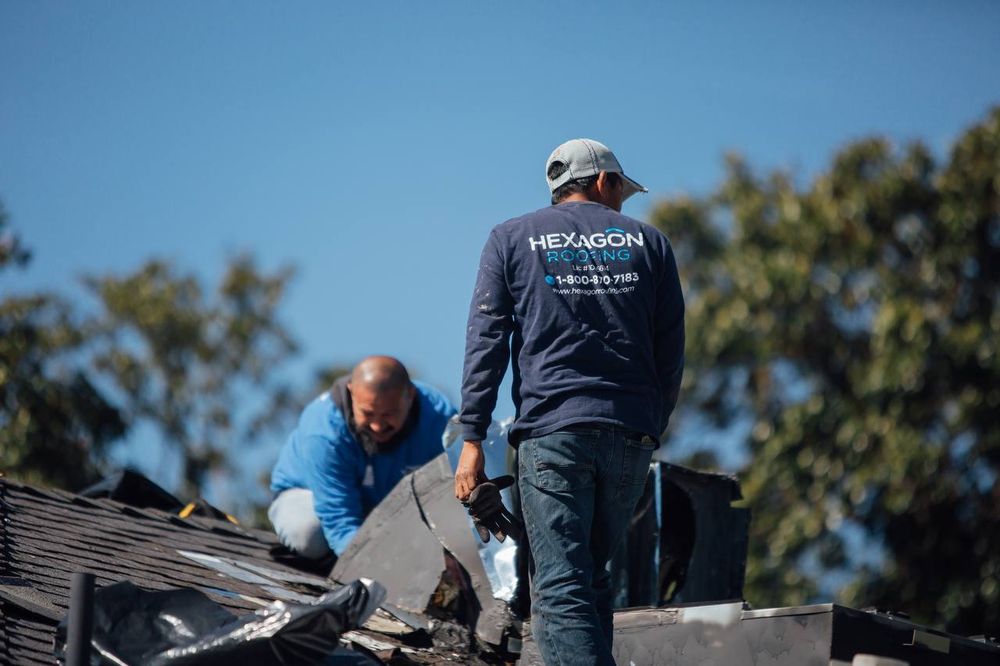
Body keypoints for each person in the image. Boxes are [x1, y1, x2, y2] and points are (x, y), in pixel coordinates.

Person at [454, 138, 684, 665]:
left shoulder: (510, 238)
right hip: (629, 434)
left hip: (553, 432)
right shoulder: (650, 243)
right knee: (587, 580)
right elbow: (670, 350)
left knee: (561, 586)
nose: (622, 200)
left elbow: (486, 341)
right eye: (622, 190)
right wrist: (651, 424)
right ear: (603, 182)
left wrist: (472, 441)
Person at [270, 356, 456, 559]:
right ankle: (334, 560)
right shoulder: (323, 432)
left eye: (388, 415)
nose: (377, 426)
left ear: (410, 396)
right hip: (313, 498)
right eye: (368, 413)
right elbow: (339, 520)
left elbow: (455, 490)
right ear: (352, 393)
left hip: (385, 509)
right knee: (308, 534)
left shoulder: (440, 418)